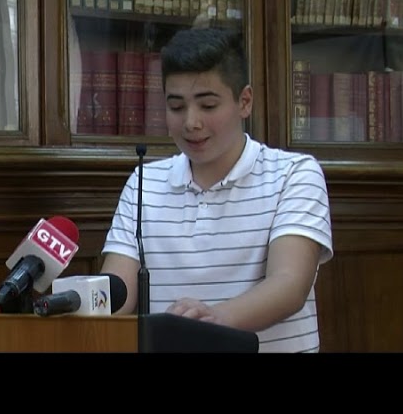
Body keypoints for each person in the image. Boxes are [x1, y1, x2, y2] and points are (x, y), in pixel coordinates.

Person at [99, 27, 333, 353]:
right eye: (176, 107)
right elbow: (115, 295)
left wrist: (213, 320)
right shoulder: (144, 182)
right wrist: (75, 300)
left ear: (244, 102)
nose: (191, 122)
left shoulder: (294, 174)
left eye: (208, 106)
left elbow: (289, 284)